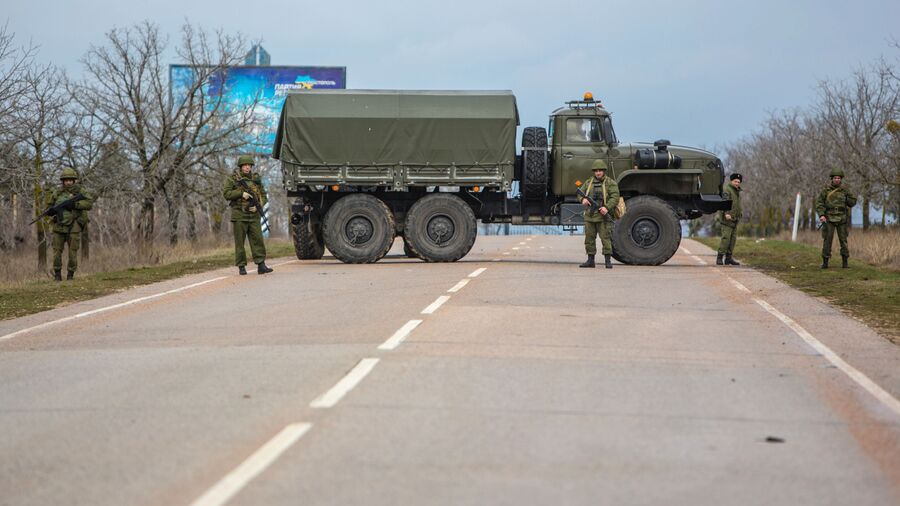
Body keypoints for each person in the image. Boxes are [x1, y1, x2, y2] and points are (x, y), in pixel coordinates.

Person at [223, 155, 273, 275]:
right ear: (241, 167)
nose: (247, 167)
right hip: (239, 215)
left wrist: (258, 205)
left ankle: (261, 265)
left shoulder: (256, 180)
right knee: (240, 242)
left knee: (258, 240)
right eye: (244, 165)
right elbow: (227, 194)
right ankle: (241, 267)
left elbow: (263, 196)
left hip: (254, 216)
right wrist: (241, 193)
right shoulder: (233, 179)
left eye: (249, 165)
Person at [46, 168, 93, 281]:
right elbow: (49, 206)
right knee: (57, 252)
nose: (68, 182)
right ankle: (57, 275)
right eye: (66, 180)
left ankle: (70, 275)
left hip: (74, 226)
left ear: (74, 180)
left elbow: (89, 203)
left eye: (70, 180)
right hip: (59, 226)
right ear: (63, 181)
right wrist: (51, 211)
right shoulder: (57, 192)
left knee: (73, 252)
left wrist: (74, 205)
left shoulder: (81, 191)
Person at [579, 159, 619, 269]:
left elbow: (615, 197)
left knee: (605, 238)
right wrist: (583, 199)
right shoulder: (588, 182)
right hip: (590, 216)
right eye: (596, 171)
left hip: (602, 216)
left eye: (600, 170)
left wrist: (606, 207)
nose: (598, 173)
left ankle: (608, 260)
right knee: (589, 239)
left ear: (604, 171)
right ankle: (590, 260)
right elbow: (580, 193)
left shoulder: (610, 183)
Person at [815, 167, 857, 269]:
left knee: (843, 240)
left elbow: (853, 202)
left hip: (842, 218)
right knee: (827, 240)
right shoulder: (825, 190)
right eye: (835, 178)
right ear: (832, 179)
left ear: (841, 179)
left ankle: (845, 262)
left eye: (839, 178)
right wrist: (821, 215)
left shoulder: (845, 191)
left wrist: (848, 199)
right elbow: (819, 203)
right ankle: (825, 262)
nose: (837, 179)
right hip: (828, 218)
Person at [716, 173, 743, 266]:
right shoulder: (727, 190)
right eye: (735, 181)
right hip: (727, 219)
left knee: (732, 240)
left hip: (735, 219)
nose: (737, 183)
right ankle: (719, 257)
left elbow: (737, 205)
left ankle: (728, 258)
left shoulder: (737, 191)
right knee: (726, 239)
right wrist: (726, 213)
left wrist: (740, 213)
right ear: (731, 181)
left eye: (738, 182)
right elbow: (725, 202)